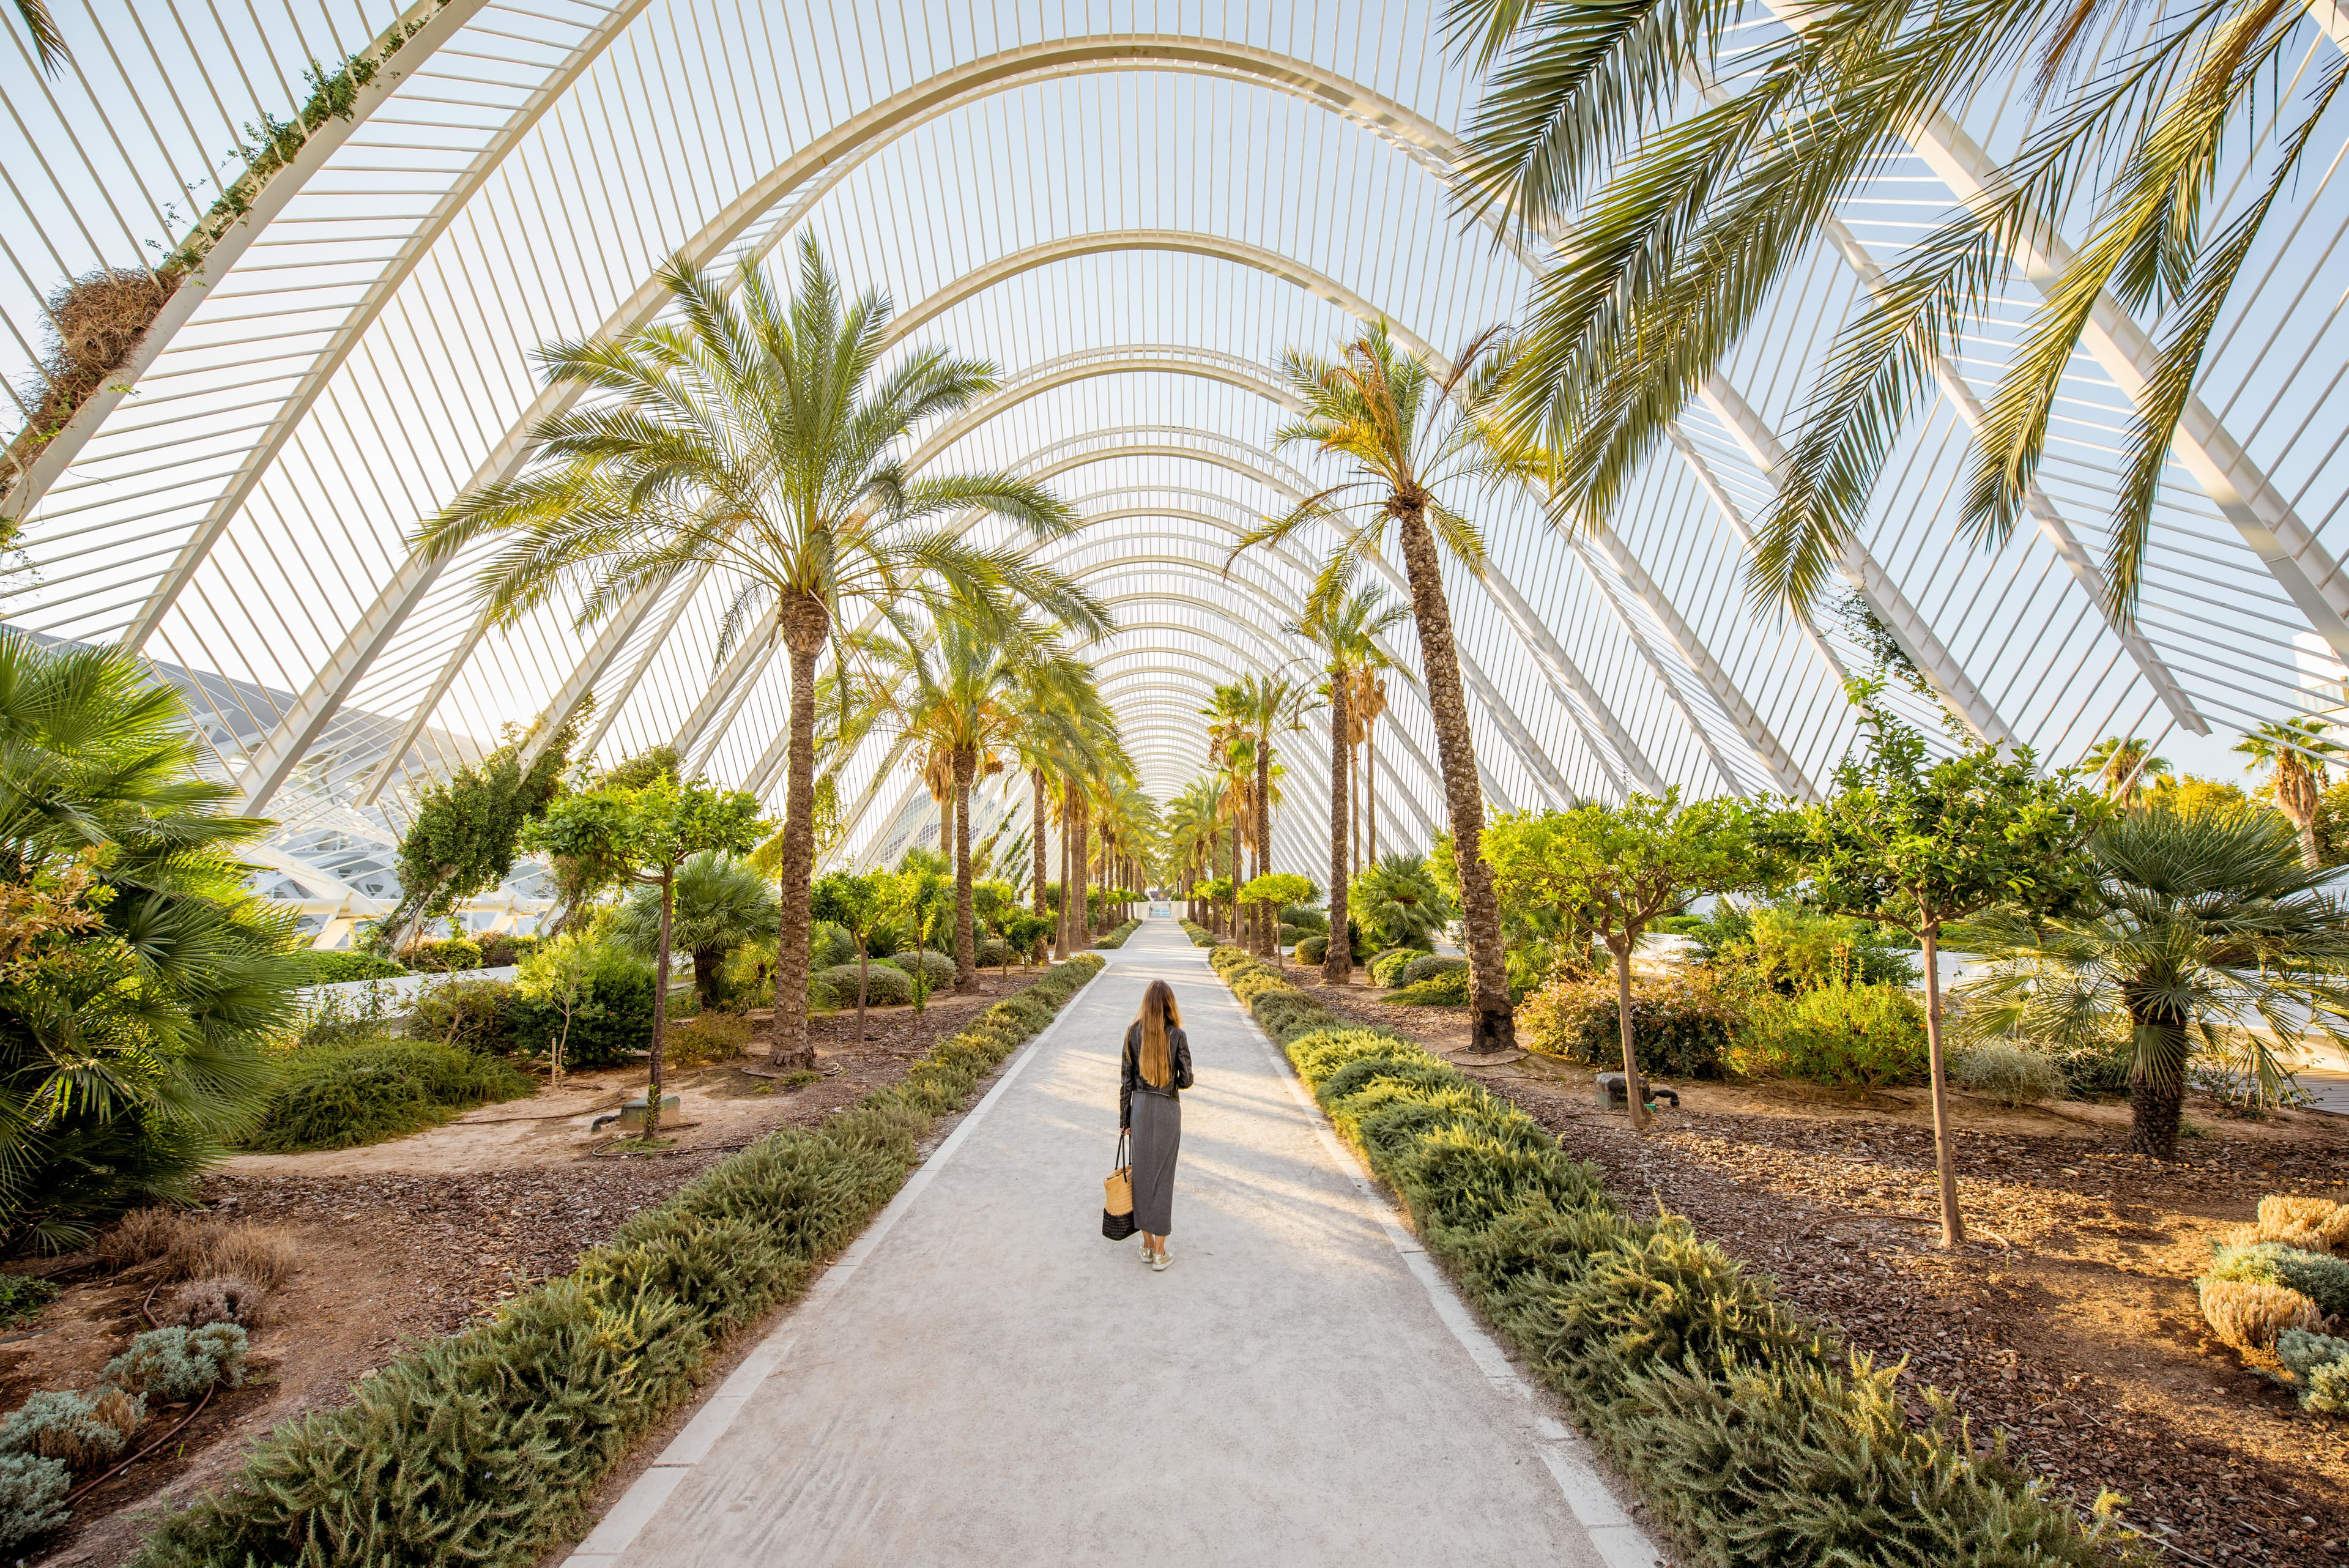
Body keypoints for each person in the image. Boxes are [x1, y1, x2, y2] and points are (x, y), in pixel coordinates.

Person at [1119, 978, 1193, 1271]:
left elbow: (1126, 1083)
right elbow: (1186, 1080)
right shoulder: (1178, 1035)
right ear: (1169, 1004)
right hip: (1167, 1110)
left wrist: (1125, 1122)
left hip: (1140, 1109)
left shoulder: (1132, 1034)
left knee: (1142, 1178)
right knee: (1163, 1180)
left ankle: (1147, 1246)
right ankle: (1161, 1253)